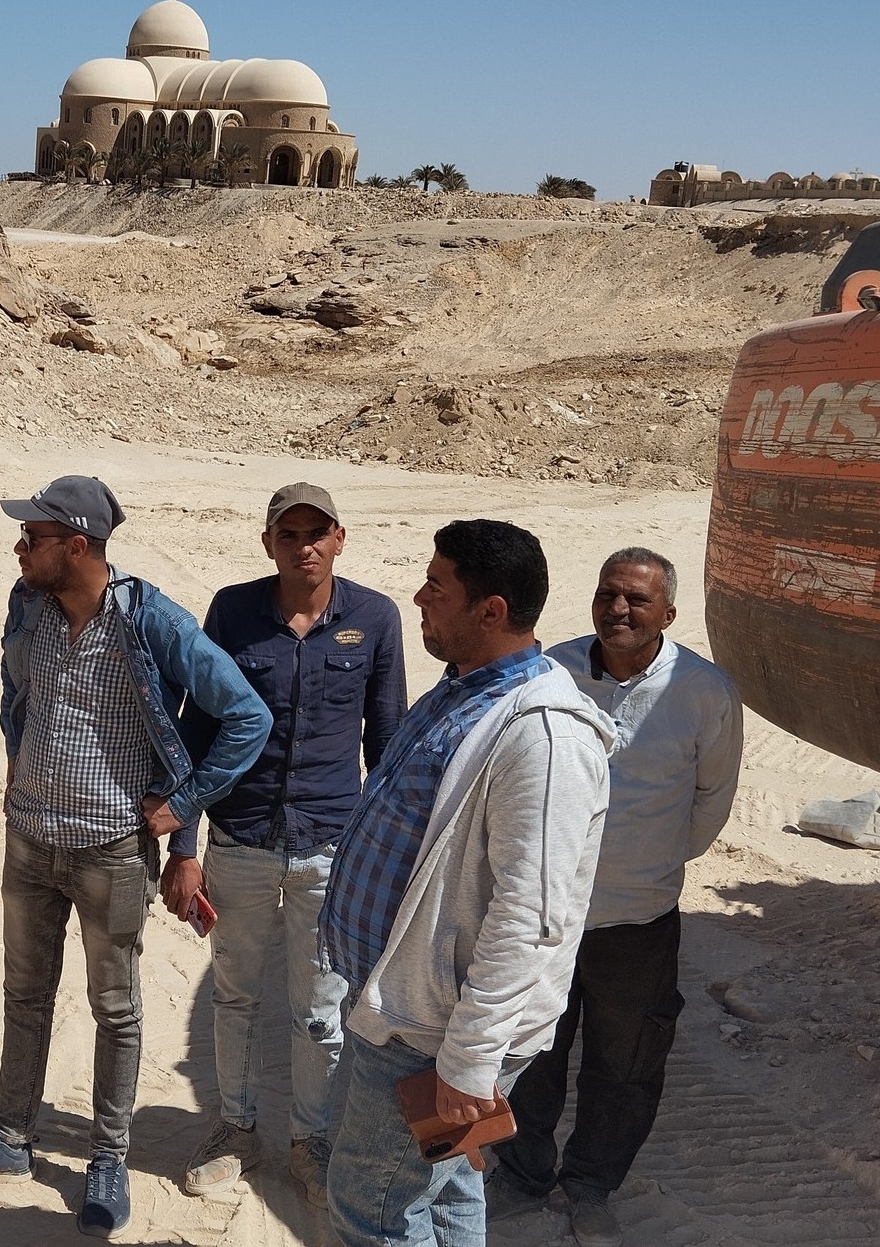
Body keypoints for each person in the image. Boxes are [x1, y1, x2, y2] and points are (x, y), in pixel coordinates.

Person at [0, 475, 273, 1240]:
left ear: (75, 545)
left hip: (112, 849)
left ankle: (107, 1158)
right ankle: (10, 1136)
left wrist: (183, 803)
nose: (19, 548)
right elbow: (12, 684)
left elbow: (246, 714)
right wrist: (17, 755)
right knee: (24, 991)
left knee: (114, 1008)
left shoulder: (150, 619)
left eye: (32, 537)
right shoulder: (29, 604)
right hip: (29, 839)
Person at [318, 519, 615, 1247]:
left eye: (436, 585)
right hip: (407, 1010)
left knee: (372, 1207)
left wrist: (468, 1059)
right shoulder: (464, 689)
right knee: (446, 1185)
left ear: (490, 610)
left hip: (435, 1031)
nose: (418, 596)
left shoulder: (544, 738)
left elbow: (529, 915)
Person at [488, 548, 741, 1247]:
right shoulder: (548, 671)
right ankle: (521, 1170)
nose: (618, 609)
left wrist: (647, 866)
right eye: (607, 593)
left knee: (624, 1063)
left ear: (668, 613)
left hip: (637, 920)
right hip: (546, 913)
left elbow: (709, 803)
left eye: (635, 599)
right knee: (531, 1048)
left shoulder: (703, 690)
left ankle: (590, 1183)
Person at [164, 483, 407, 1207]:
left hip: (330, 849)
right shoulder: (232, 611)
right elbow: (196, 730)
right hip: (238, 841)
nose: (303, 545)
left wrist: (387, 856)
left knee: (320, 1008)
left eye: (317, 531)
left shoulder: (374, 617)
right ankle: (235, 1130)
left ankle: (311, 1141)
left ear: (339, 538)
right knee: (235, 994)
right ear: (267, 542)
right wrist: (182, 846)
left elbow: (386, 742)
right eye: (288, 532)